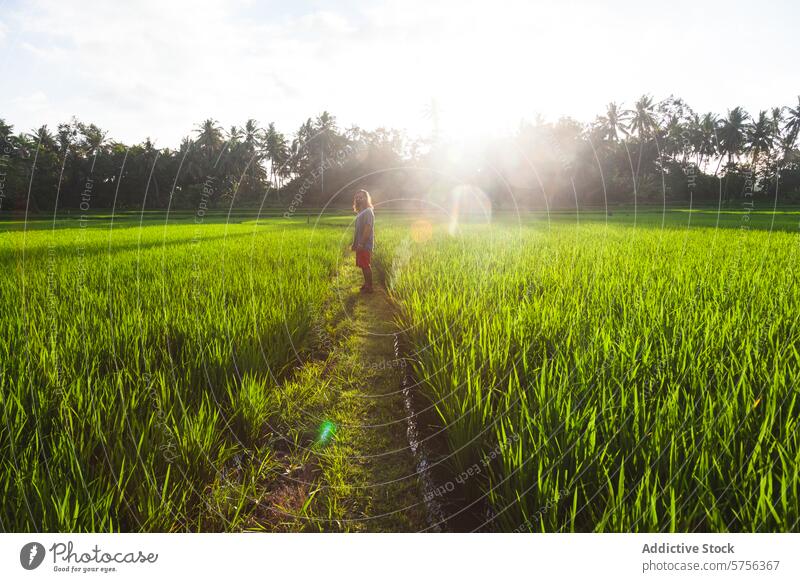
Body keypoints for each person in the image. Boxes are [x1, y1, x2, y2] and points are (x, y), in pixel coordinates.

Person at [351, 189, 375, 293]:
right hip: (360, 244)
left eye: (361, 197)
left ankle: (369, 287)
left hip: (365, 244)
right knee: (363, 265)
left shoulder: (368, 211)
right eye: (357, 197)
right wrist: (355, 244)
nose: (359, 199)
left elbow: (368, 228)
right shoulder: (361, 212)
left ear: (366, 198)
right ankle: (366, 284)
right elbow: (358, 230)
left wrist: (361, 243)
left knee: (366, 266)